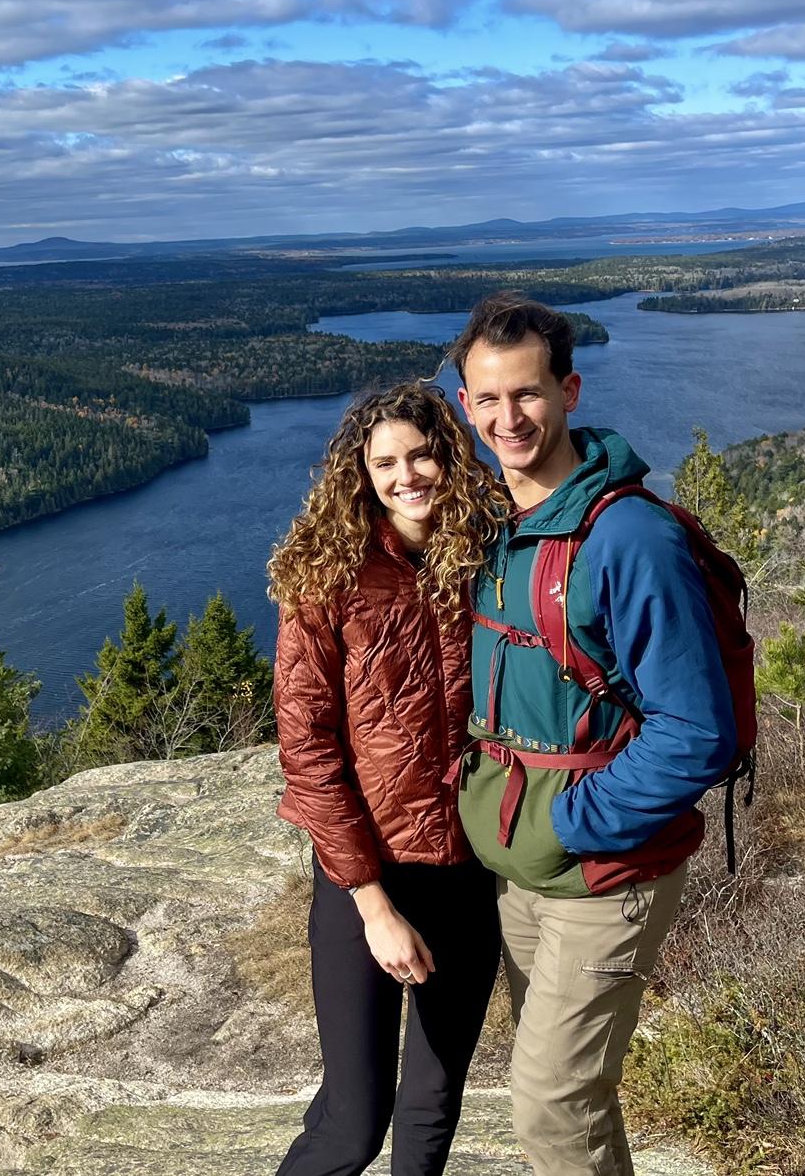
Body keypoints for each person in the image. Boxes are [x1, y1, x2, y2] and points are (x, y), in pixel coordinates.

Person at [448, 292, 736, 1176]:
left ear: (570, 390)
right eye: (488, 399)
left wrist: (570, 824)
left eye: (528, 394)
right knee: (576, 1100)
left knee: (546, 1104)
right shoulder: (492, 523)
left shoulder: (630, 538)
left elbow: (698, 732)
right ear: (466, 404)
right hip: (517, 870)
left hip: (604, 871)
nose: (509, 418)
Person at [269, 381, 505, 1176]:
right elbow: (307, 750)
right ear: (360, 475)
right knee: (353, 1122)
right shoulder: (328, 577)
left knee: (434, 1105)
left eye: (422, 453)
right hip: (365, 875)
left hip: (471, 869)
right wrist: (372, 903)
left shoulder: (493, 556)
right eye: (385, 462)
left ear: (451, 456)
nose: (407, 475)